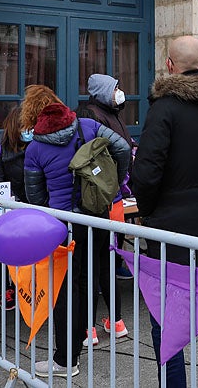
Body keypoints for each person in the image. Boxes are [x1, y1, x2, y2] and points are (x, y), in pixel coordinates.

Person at [130, 36, 198, 388]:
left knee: (166, 315)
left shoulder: (165, 107)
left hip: (171, 226)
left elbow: (145, 173)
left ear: (168, 65)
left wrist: (148, 212)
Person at [24, 102, 132, 378]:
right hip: (96, 215)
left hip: (63, 223)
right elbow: (122, 148)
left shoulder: (35, 148)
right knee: (89, 281)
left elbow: (34, 195)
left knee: (63, 290)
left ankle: (65, 359)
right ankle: (82, 340)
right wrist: (113, 185)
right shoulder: (88, 126)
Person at [83, 73, 139, 326]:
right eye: (116, 88)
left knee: (102, 260)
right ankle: (99, 323)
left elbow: (125, 144)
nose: (120, 92)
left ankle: (105, 322)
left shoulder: (111, 113)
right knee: (97, 263)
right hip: (104, 196)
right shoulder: (93, 115)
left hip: (112, 195)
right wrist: (118, 179)